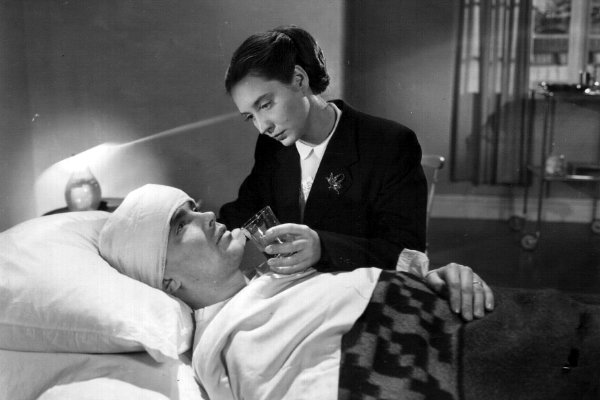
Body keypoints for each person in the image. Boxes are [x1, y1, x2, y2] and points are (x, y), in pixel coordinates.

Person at [99, 184, 600, 400]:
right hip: (521, 361)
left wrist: (436, 277)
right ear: (167, 282)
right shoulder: (242, 346)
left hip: (524, 316)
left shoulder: (272, 284)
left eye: (193, 207)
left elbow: (368, 289)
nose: (207, 215)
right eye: (180, 224)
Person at [219, 25, 428, 274]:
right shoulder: (271, 146)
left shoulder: (389, 143)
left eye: (265, 105)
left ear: (299, 80)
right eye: (250, 116)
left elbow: (407, 253)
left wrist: (323, 247)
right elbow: (245, 209)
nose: (263, 126)